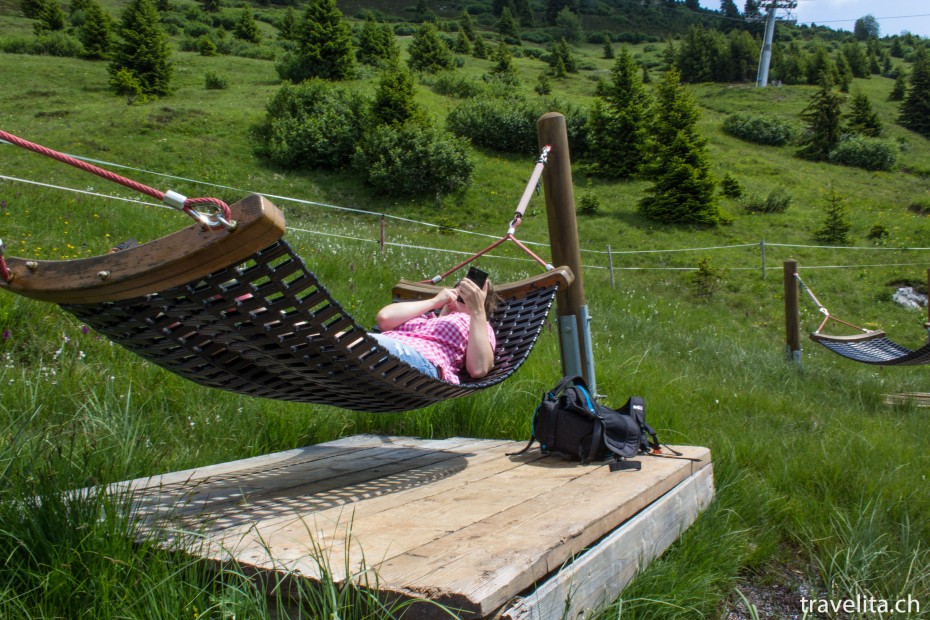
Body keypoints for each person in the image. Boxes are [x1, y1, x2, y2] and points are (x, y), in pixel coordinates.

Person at [372, 276, 498, 383]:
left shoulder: (479, 325)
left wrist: (477, 311)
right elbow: (384, 318)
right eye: (463, 291)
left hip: (420, 359)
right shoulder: (426, 319)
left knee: (361, 345)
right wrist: (435, 301)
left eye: (473, 296)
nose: (465, 296)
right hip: (387, 347)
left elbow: (479, 369)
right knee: (359, 343)